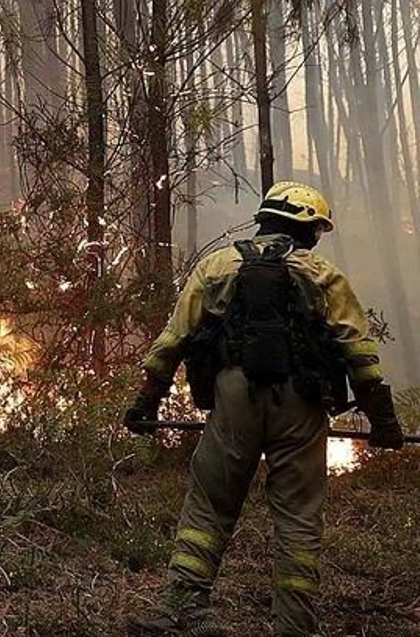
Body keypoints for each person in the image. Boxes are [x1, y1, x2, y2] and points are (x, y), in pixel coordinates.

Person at [124, 181, 408, 637]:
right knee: (297, 515)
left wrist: (146, 402)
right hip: (302, 402)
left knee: (210, 506)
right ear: (306, 227)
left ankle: (181, 611)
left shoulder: (218, 265)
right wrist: (384, 423)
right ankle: (294, 626)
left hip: (232, 396)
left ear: (265, 218)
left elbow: (172, 341)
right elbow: (359, 352)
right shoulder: (322, 273)